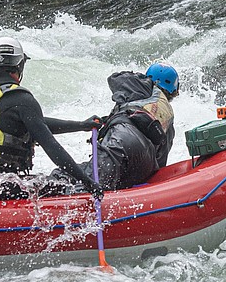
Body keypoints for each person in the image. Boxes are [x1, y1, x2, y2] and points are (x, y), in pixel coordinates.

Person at [0, 36, 102, 200]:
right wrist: (88, 182)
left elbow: (36, 124)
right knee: (64, 185)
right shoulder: (21, 99)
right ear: (19, 65)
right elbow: (52, 147)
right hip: (0, 189)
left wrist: (81, 125)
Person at [75, 63, 178, 191]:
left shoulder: (142, 86)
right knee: (103, 183)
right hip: (144, 161)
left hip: (122, 140)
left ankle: (52, 196)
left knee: (86, 183)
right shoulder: (168, 115)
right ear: (173, 91)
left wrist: (141, 78)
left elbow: (115, 78)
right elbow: (161, 162)